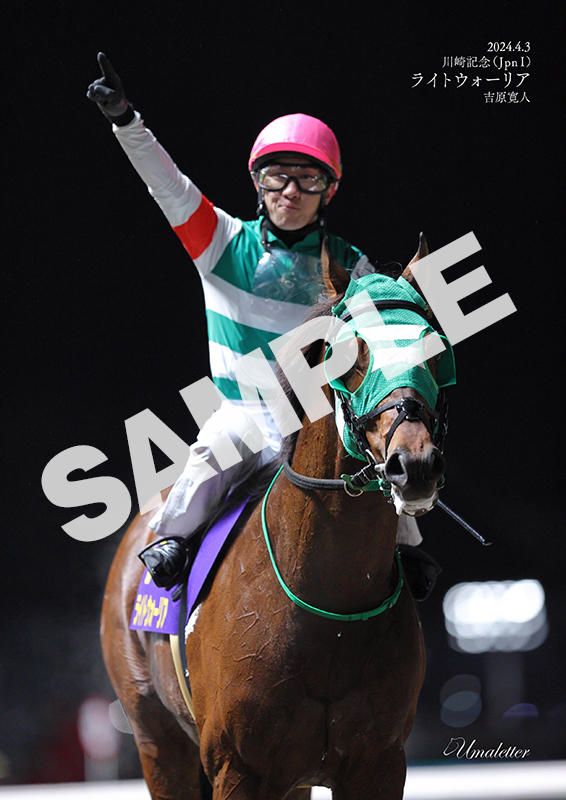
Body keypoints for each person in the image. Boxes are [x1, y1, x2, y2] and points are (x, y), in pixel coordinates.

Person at [87, 54, 439, 599]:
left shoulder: (354, 266)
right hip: (245, 412)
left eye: (308, 178)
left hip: (320, 414)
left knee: (382, 455)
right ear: (258, 182)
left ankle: (406, 544)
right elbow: (168, 186)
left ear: (328, 190)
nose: (291, 191)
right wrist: (126, 121)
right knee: (213, 452)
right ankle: (171, 542)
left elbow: (382, 346)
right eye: (278, 176)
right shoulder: (221, 242)